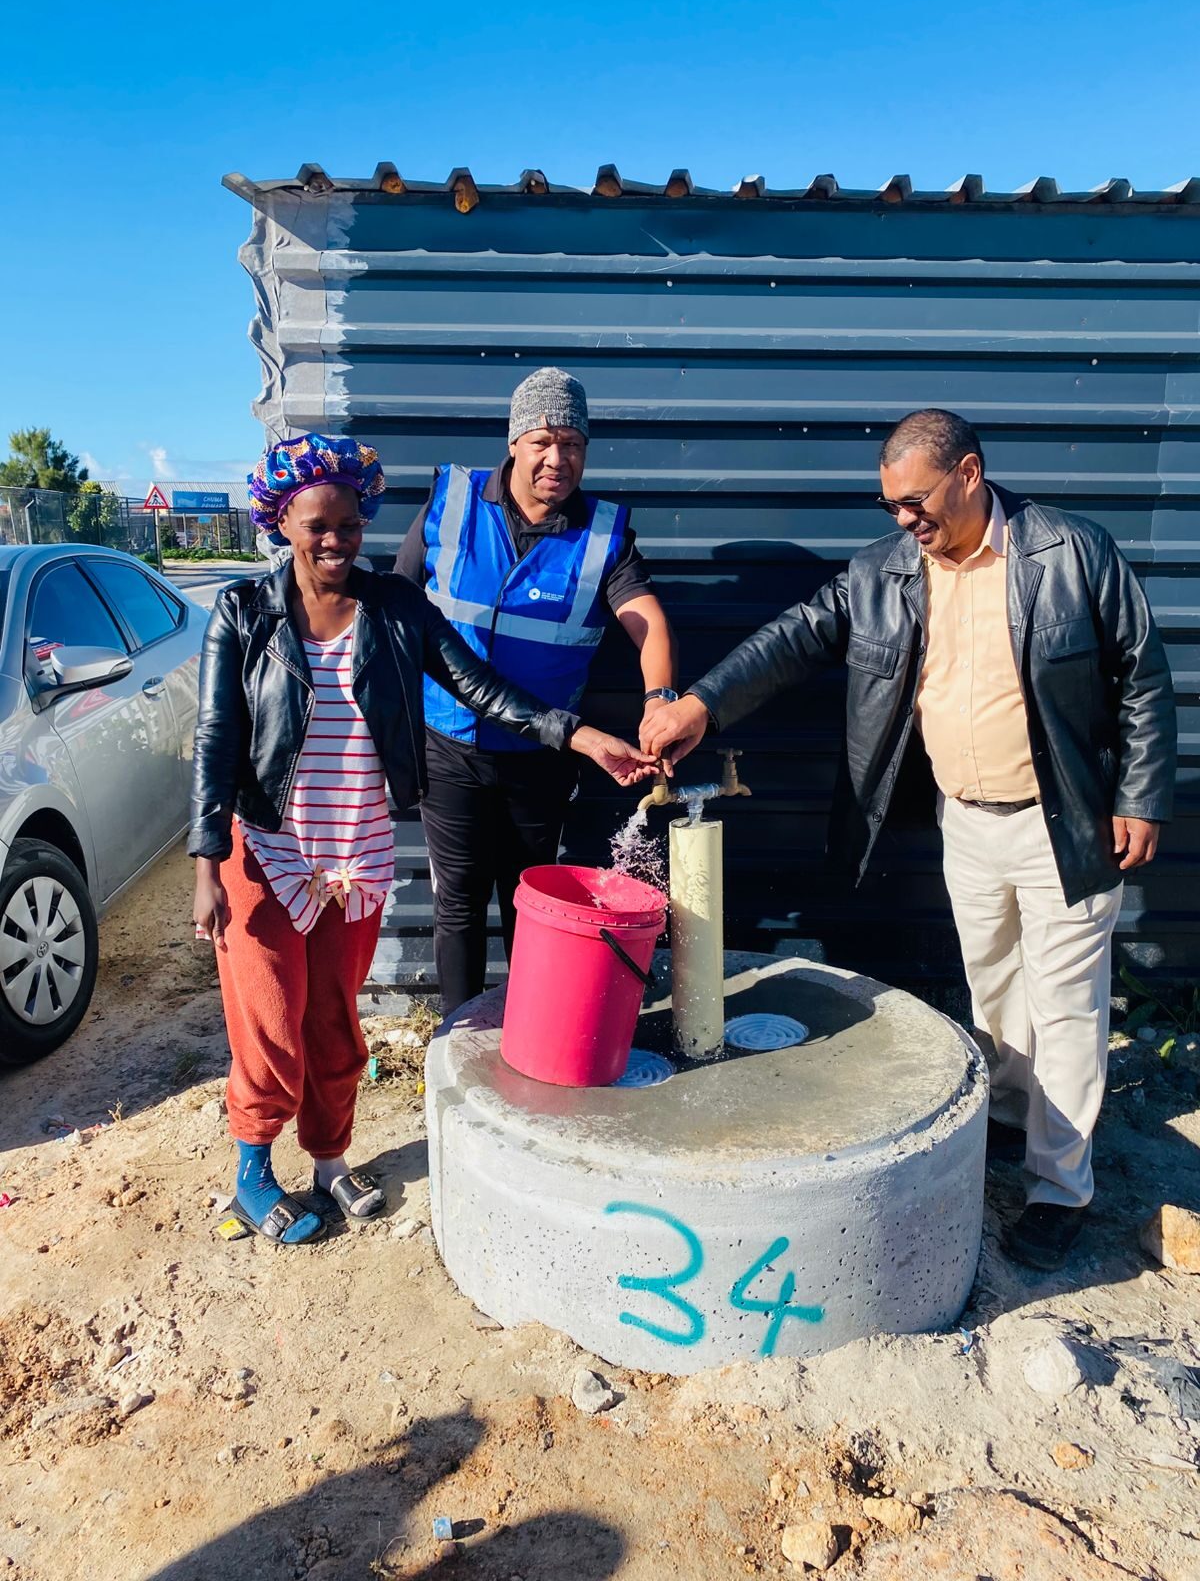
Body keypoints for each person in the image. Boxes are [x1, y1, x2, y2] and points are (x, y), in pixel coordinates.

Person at [643, 409, 1176, 1272]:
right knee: (994, 988)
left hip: (1064, 822)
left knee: (1067, 1007)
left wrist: (1140, 798)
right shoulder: (886, 572)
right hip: (967, 821)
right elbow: (793, 639)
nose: (903, 519)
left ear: (968, 474)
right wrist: (700, 704)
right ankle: (1014, 1119)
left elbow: (1142, 677)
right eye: (889, 505)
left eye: (915, 501)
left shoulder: (1070, 552)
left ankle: (1060, 1189)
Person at [191, 432, 656, 1246]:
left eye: (348, 524)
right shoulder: (243, 612)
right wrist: (205, 862)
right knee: (269, 1024)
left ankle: (330, 1160)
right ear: (281, 523)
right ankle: (252, 1173)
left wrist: (578, 736)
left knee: (334, 1019)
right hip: (262, 848)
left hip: (354, 851)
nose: (335, 541)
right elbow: (215, 738)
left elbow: (478, 686)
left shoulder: (394, 608)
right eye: (316, 526)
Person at [395, 367, 677, 1014]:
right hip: (448, 746)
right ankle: (459, 1036)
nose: (558, 458)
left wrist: (660, 701)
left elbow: (649, 624)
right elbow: (397, 611)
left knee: (531, 902)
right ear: (514, 442)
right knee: (458, 903)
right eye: (543, 441)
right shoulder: (453, 503)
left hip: (542, 756)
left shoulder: (604, 536)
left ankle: (527, 1034)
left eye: (573, 444)